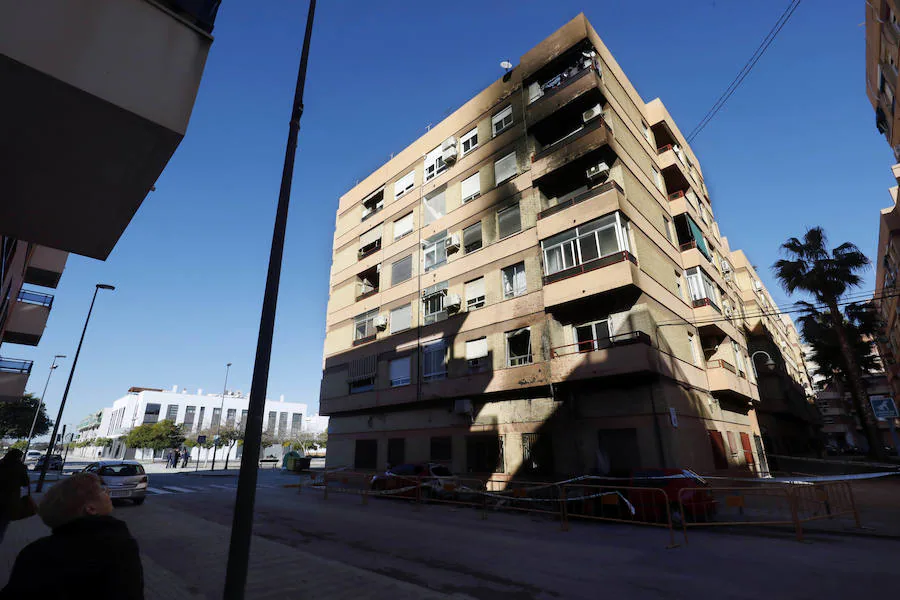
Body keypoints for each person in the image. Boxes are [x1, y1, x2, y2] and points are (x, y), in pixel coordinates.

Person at [0, 472, 143, 599]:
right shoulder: (118, 547)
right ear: (90, 508)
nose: (108, 491)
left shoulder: (33, 551)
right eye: (101, 490)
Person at [0, 449, 31, 543]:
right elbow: (25, 483)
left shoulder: (1, 464)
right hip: (9, 501)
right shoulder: (20, 468)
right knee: (2, 525)